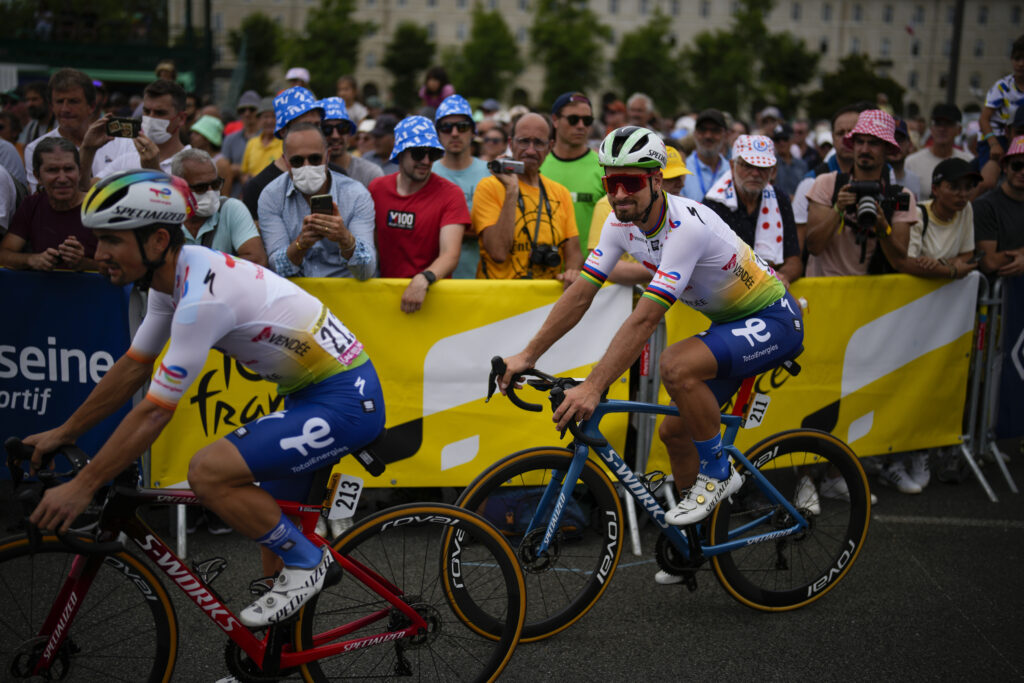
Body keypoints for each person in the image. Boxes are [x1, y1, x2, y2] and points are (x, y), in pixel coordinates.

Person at [26, 169, 386, 629]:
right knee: (273, 535)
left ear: (157, 240)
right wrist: (65, 431)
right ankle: (277, 654)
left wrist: (85, 484)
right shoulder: (175, 275)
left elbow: (155, 411)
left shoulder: (202, 299)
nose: (100, 254)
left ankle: (312, 562)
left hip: (345, 401)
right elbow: (134, 365)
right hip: (310, 395)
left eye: (112, 240)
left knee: (209, 472)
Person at [498, 127, 802, 584]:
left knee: (675, 364)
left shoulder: (685, 228)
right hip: (730, 323)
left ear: (657, 180)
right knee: (675, 433)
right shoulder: (619, 224)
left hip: (774, 318)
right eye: (611, 182)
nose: (619, 193)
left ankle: (718, 472)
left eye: (632, 182)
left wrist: (594, 387)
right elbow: (581, 294)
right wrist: (526, 354)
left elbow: (644, 320)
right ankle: (694, 547)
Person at [369, 116, 469, 312]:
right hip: (385, 296)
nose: (426, 161)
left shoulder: (451, 194)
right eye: (418, 153)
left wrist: (424, 278)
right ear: (400, 153)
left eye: (432, 154)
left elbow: (450, 254)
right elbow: (372, 246)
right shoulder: (377, 189)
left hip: (433, 297)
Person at [471, 113, 583, 283]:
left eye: (538, 143)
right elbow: (498, 253)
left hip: (545, 296)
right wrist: (511, 190)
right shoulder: (489, 187)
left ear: (550, 147)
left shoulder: (560, 193)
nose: (530, 150)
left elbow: (574, 254)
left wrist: (572, 272)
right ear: (511, 144)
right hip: (499, 296)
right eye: (524, 141)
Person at [805, 110, 916, 277]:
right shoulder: (827, 184)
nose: (865, 149)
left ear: (887, 148)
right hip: (828, 288)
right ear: (853, 145)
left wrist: (882, 227)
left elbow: (899, 261)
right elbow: (814, 247)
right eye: (859, 142)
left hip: (873, 291)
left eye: (873, 143)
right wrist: (838, 209)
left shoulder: (900, 196)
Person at [259, 122, 376, 279]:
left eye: (314, 159)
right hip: (297, 290)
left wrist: (345, 239)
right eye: (297, 161)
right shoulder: (272, 196)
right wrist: (300, 244)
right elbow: (276, 268)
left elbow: (367, 270)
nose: (306, 166)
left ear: (327, 156)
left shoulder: (356, 195)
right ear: (286, 161)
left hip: (343, 290)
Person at [704, 135, 803, 286]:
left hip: (770, 288)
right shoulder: (714, 203)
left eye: (762, 167)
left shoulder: (780, 199)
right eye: (747, 166)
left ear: (773, 171)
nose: (755, 173)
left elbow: (794, 260)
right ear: (732, 166)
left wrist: (783, 276)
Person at [23, 69, 134, 193]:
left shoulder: (122, 143)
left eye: (73, 102)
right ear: (52, 106)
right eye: (59, 102)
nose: (65, 109)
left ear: (91, 106)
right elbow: (42, 199)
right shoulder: (35, 149)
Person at [0, 137, 96, 271]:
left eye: (68, 169)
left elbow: (120, 264)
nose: (62, 179)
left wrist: (84, 263)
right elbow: (4, 254)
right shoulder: (31, 206)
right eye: (52, 170)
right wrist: (32, 260)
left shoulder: (100, 207)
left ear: (80, 172)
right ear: (37, 176)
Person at [171, 148, 267, 264]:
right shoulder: (166, 216)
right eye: (200, 187)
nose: (210, 192)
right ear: (180, 188)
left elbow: (258, 259)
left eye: (215, 184)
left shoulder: (231, 209)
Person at [84, 79, 190, 185]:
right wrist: (88, 149)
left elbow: (185, 195)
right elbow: (86, 189)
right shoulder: (127, 160)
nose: (151, 118)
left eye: (160, 113)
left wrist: (155, 171)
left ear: (181, 118)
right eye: (147, 111)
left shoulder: (193, 162)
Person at [242, 88, 324, 221]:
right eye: (305, 125)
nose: (314, 132)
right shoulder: (258, 188)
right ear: (283, 131)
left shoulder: (336, 177)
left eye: (317, 125)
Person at [431, 95, 489, 279]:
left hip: (480, 279)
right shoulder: (427, 173)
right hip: (436, 279)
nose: (455, 133)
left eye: (462, 127)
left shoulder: (490, 173)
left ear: (473, 132)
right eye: (446, 127)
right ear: (437, 133)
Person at [540, 91, 606, 250]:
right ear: (555, 120)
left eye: (587, 120)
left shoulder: (604, 168)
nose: (581, 126)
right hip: (542, 264)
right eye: (573, 119)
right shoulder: (538, 166)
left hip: (590, 265)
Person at [973, 135, 1024, 278]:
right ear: (1005, 167)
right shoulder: (985, 206)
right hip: (999, 287)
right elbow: (989, 262)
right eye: (1017, 166)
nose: (1023, 172)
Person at [905, 103, 973, 199]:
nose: (942, 129)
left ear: (959, 130)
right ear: (931, 128)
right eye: (938, 124)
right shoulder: (912, 162)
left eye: (948, 124)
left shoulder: (968, 161)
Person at [978, 35, 1024, 167]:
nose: (1021, 64)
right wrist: (994, 144)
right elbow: (983, 119)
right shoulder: (1002, 87)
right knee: (991, 175)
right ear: (1011, 59)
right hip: (997, 138)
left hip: (1019, 138)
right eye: (1017, 58)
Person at [319, 97, 381, 189]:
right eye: (327, 129)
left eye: (342, 128)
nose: (335, 136)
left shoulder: (370, 174)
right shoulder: (311, 176)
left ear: (349, 133)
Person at [682, 109, 729, 202]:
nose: (708, 136)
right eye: (702, 130)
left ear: (725, 135)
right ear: (695, 134)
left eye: (715, 130)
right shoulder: (682, 170)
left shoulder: (731, 171)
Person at [222, 90, 262, 198]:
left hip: (260, 195)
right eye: (242, 110)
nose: (247, 113)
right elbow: (223, 169)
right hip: (234, 195)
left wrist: (238, 170)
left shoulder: (267, 138)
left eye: (252, 109)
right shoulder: (230, 139)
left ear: (259, 112)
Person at [186, 115, 233, 197]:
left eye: (197, 134)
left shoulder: (222, 164)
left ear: (207, 138)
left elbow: (225, 195)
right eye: (192, 133)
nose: (192, 136)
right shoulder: (192, 159)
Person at [770, 124, 808, 200]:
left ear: (792, 140)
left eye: (785, 139)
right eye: (777, 139)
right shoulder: (770, 165)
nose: (781, 143)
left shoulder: (802, 165)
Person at [890, 118, 922, 200]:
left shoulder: (914, 180)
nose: (895, 145)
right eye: (891, 139)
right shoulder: (876, 180)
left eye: (899, 140)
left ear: (910, 145)